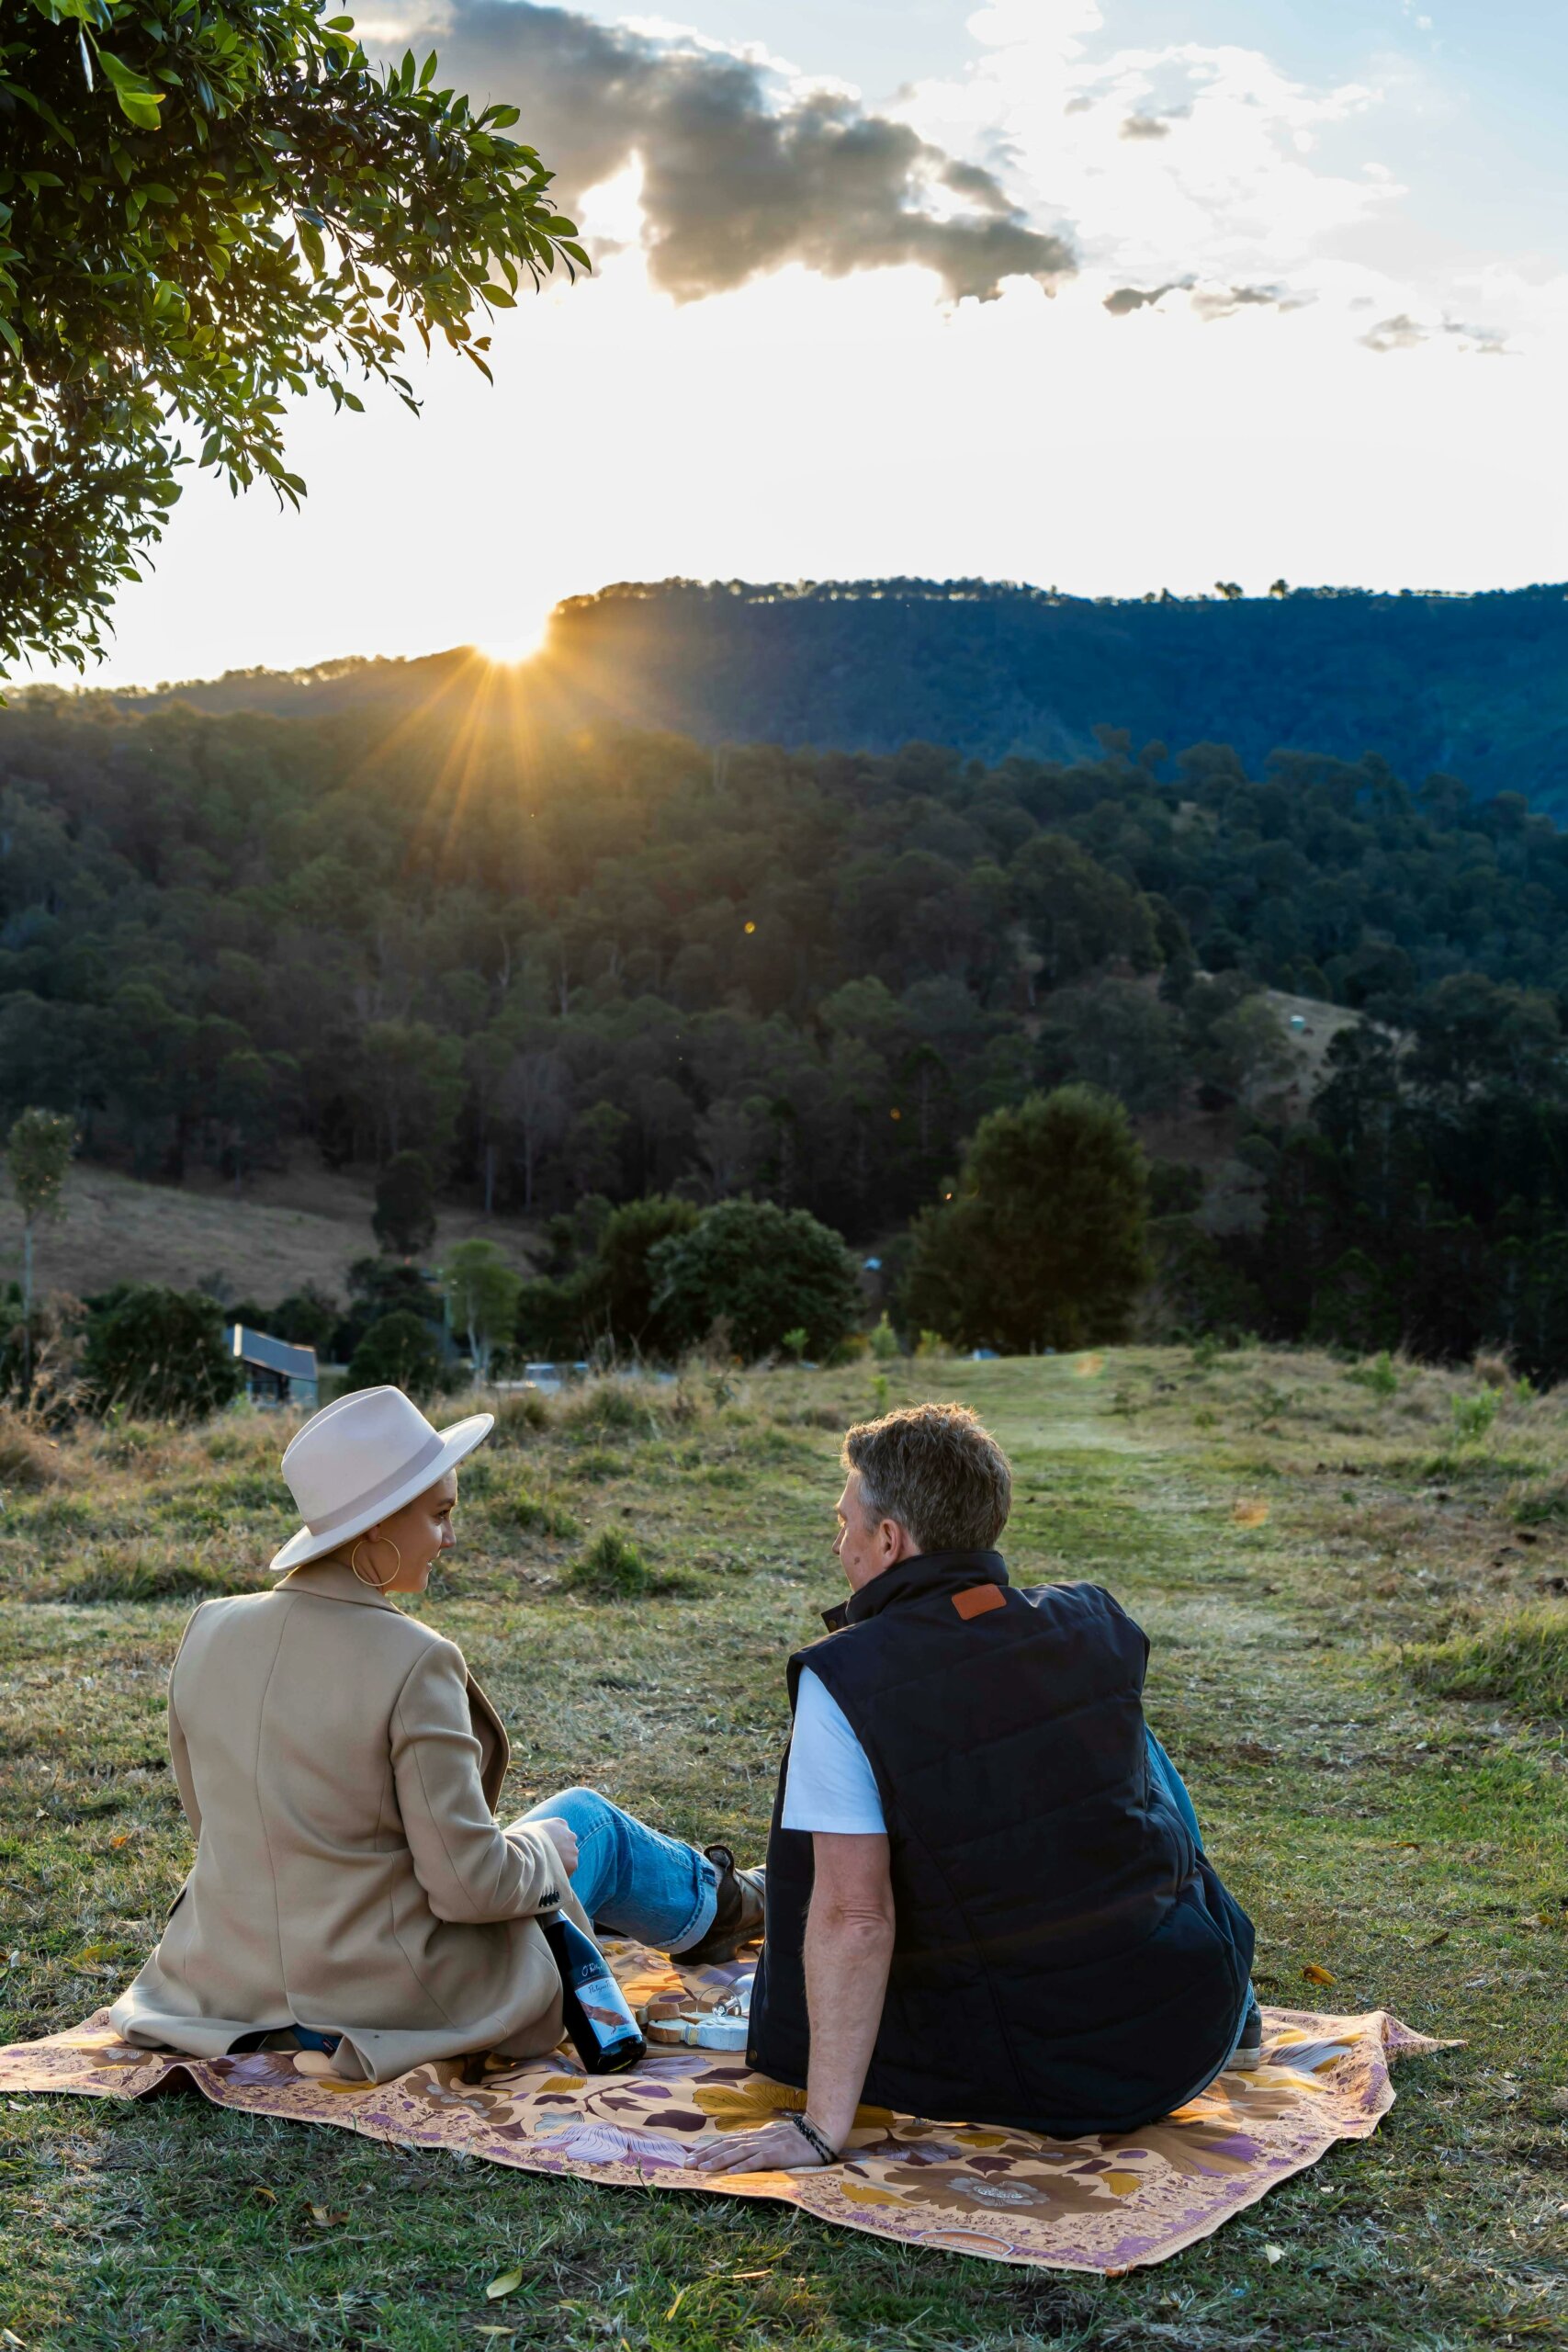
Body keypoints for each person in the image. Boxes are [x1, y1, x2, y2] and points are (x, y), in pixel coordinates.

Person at [110, 1385, 761, 2084]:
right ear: (376, 1527)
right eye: (440, 1515)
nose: (451, 1537)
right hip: (381, 1987)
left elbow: (214, 1824)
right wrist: (540, 1849)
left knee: (552, 1841)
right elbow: (467, 1889)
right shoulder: (413, 1657)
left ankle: (733, 1898)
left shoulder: (208, 1627)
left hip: (221, 1981)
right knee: (583, 1823)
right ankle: (748, 1903)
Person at [696, 1401, 1258, 2177]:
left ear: (888, 1540)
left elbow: (856, 1918)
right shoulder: (1090, 1619)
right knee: (1112, 1728)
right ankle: (1231, 1991)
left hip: (1058, 2079)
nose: (838, 1545)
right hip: (1195, 2022)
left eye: (845, 1523)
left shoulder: (847, 1677)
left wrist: (823, 2128)